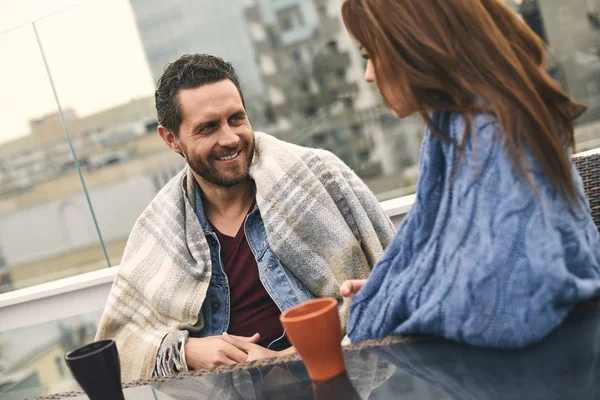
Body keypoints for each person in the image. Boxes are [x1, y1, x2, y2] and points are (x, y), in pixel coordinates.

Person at [94, 53, 395, 382]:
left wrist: (287, 360)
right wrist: (186, 351)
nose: (230, 138)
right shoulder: (158, 229)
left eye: (236, 119)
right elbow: (115, 348)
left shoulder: (323, 177)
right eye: (208, 128)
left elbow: (397, 287)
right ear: (171, 139)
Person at [339, 0, 600, 348]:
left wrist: (398, 295)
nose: (369, 74)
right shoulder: (456, 124)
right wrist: (393, 286)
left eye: (370, 53)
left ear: (414, 43)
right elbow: (458, 254)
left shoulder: (491, 132)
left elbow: (514, 302)